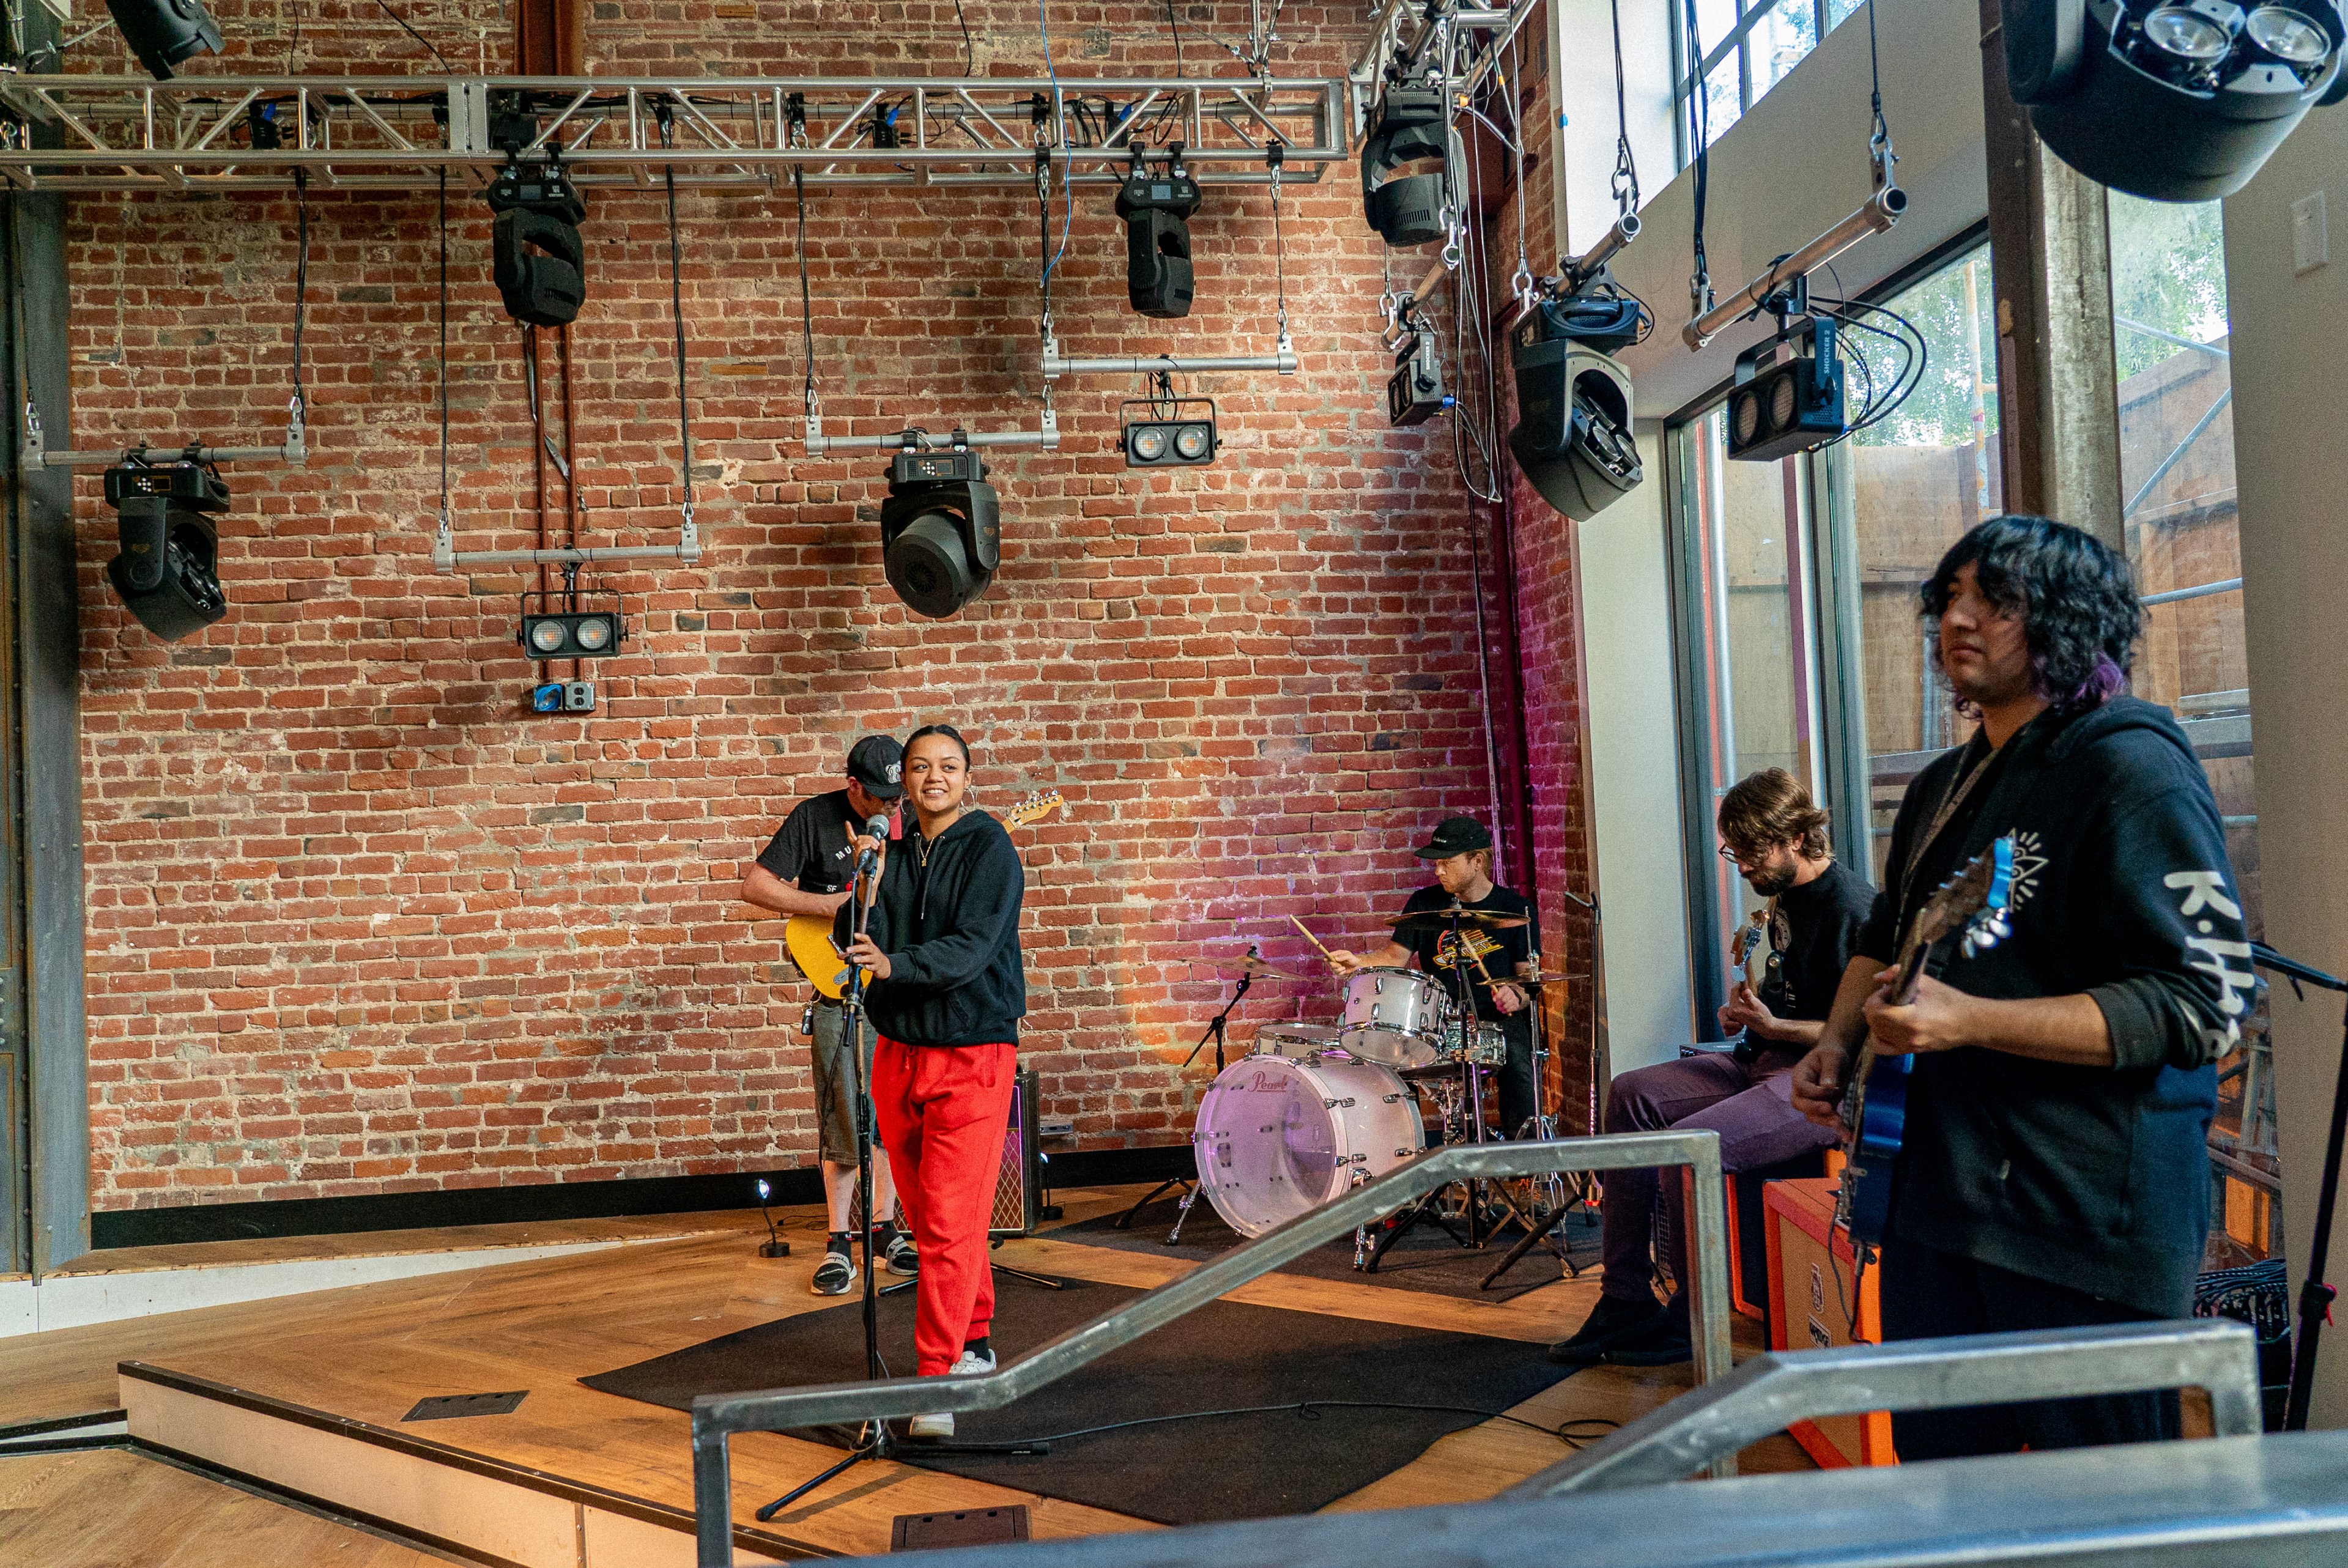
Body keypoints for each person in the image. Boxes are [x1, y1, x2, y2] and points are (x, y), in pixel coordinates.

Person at [1790, 514, 2250, 1459]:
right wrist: (1835, 1043)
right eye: (1946, 599)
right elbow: (1883, 936)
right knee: (1951, 1502)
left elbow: (2199, 1005)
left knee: (2106, 1519)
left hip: (2080, 1221)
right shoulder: (1941, 786)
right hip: (1938, 1202)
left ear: (2066, 620)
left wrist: (1970, 1020)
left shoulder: (2129, 768)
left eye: (1992, 602)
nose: (1956, 620)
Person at [1547, 769, 1875, 1368]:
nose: (1741, 864)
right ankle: (1624, 1298)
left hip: (1824, 1084)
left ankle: (1692, 1318)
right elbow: (1791, 1005)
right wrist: (1749, 1016)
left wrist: (1777, 1028)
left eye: (1751, 851)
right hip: (1764, 1059)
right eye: (1734, 850)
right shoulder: (1782, 900)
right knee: (1629, 1094)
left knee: (1686, 1145)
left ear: (1795, 838)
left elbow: (1863, 1031)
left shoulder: (1854, 909)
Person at [843, 724, 1028, 1440]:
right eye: (921, 767)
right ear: (905, 781)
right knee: (930, 1220)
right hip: (898, 1051)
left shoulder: (990, 847)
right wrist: (868, 883)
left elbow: (972, 948)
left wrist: (897, 966)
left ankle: (935, 1383)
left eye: (948, 765)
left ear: (967, 777)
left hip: (973, 1051)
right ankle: (973, 1338)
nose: (933, 777)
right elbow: (858, 945)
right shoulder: (887, 853)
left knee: (949, 1225)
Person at [739, 734, 916, 1296]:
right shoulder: (815, 817)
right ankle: (839, 1241)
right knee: (843, 1113)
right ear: (853, 786)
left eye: (898, 796)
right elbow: (755, 885)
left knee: (888, 1115)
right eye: (881, 796)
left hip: (893, 985)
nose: (893, 805)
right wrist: (831, 905)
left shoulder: (912, 822)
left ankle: (886, 1230)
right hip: (838, 987)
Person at [1330, 816, 1540, 1138]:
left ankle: (1521, 1157)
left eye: (1447, 863)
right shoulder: (1424, 903)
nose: (1438, 871)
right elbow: (1393, 957)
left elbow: (1528, 978)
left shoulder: (1515, 909)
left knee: (1519, 1064)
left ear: (1477, 862)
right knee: (1389, 1051)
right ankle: (1404, 1148)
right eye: (1437, 864)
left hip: (1495, 1019)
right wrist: (1358, 962)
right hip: (1438, 1019)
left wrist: (1516, 994)